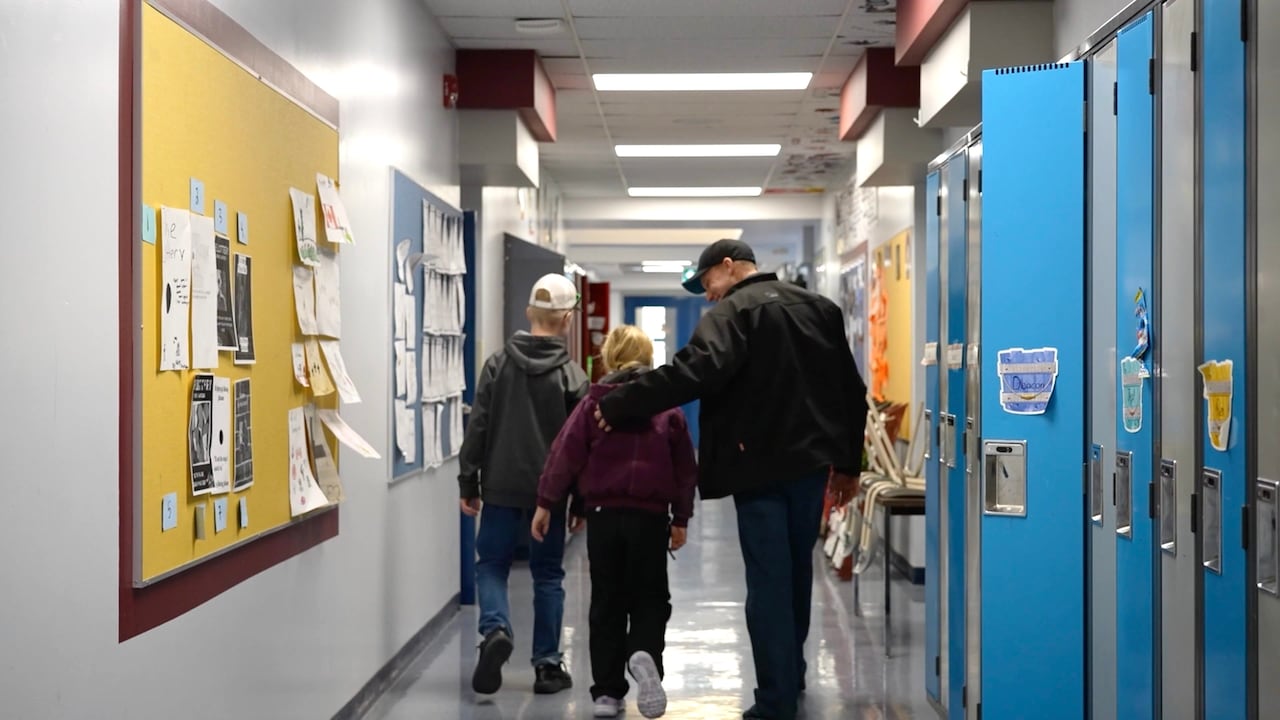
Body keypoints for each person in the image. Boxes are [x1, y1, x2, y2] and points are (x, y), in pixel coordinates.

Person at [594, 239, 868, 720]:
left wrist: (618, 403)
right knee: (796, 573)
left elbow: (689, 375)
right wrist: (848, 463)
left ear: (728, 267)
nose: (706, 295)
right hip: (808, 469)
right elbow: (851, 388)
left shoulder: (732, 315)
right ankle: (792, 676)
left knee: (767, 583)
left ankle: (775, 701)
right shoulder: (819, 309)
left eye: (706, 283)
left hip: (757, 470)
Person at [532, 326, 698, 719]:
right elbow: (685, 469)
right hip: (650, 517)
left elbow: (564, 455)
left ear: (610, 357)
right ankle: (643, 652)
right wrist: (682, 519)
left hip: (604, 517)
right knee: (650, 596)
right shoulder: (666, 409)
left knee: (606, 600)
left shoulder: (593, 405)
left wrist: (545, 503)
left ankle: (607, 693)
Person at [457, 273, 590, 697]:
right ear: (567, 319)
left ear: (530, 312)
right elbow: (581, 448)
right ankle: (548, 666)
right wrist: (580, 502)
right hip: (548, 498)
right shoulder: (572, 378)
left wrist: (468, 481)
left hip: (498, 488)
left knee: (491, 565)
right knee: (548, 574)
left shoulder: (497, 364)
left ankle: (495, 629)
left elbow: (477, 427)